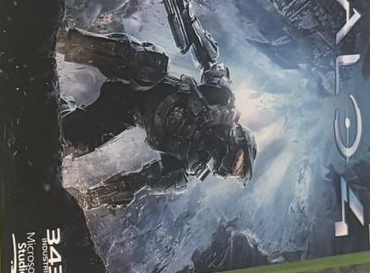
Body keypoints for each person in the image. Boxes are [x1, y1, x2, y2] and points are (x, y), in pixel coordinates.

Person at [59, 24, 255, 213]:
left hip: (127, 109)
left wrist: (88, 199)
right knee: (150, 63)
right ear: (238, 140)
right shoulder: (222, 100)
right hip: (146, 79)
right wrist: (185, 14)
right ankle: (63, 41)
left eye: (235, 172)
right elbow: (207, 58)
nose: (232, 169)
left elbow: (137, 182)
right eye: (239, 164)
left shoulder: (190, 166)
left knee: (76, 140)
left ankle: (58, 106)